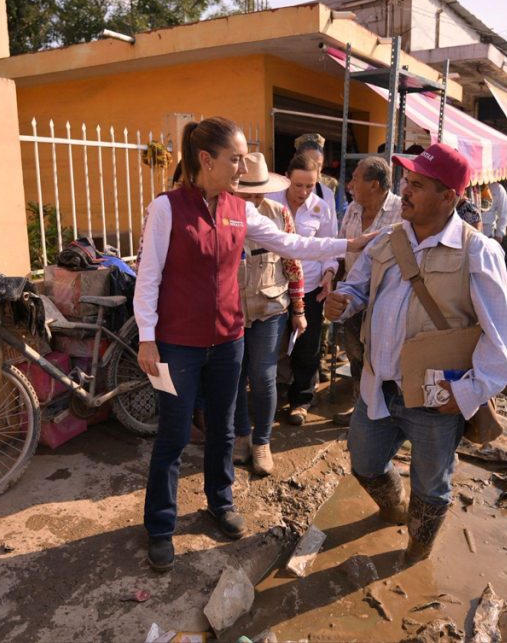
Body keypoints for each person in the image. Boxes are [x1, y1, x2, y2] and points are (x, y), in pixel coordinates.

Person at [134, 116, 376, 573]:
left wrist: (351, 243)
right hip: (175, 348)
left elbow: (289, 243)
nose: (242, 167)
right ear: (207, 160)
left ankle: (219, 502)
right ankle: (161, 526)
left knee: (225, 428)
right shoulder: (166, 208)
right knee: (173, 434)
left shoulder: (238, 208)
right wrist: (148, 339)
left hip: (228, 340)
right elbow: (148, 278)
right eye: (236, 158)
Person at [324, 142, 507, 566]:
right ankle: (393, 508)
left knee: (431, 487)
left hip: (437, 397)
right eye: (406, 182)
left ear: (449, 197)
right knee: (365, 461)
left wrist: (467, 393)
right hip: (379, 384)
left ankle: (417, 548)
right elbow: (356, 287)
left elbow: (500, 341)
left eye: (418, 185)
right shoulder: (389, 241)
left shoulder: (477, 251)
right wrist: (344, 300)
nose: (405, 192)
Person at [232, 154, 307, 476]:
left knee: (263, 378)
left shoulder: (278, 215)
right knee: (234, 378)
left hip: (270, 309)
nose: (253, 199)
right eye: (246, 193)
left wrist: (299, 309)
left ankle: (262, 441)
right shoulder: (220, 215)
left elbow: (292, 261)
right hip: (229, 312)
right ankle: (240, 436)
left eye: (258, 192)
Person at [270, 154, 340, 426]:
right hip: (274, 287)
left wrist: (329, 273)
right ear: (287, 178)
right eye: (298, 185)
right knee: (272, 345)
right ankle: (271, 396)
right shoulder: (271, 202)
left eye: (309, 186)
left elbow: (329, 247)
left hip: (310, 287)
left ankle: (301, 400)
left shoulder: (322, 208)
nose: (303, 192)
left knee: (307, 345)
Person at [335, 156, 401, 426]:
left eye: (355, 179)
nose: (350, 185)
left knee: (383, 359)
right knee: (356, 355)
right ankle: (360, 408)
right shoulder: (352, 209)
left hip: (385, 302)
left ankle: (387, 414)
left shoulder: (400, 211)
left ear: (374, 184)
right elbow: (341, 248)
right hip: (354, 298)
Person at [294, 133, 341, 226]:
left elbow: (333, 226)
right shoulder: (280, 189)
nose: (313, 169)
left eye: (318, 165)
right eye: (308, 163)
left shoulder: (328, 191)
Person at [480, 180, 507, 244]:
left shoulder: (498, 189)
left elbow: (503, 213)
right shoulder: (469, 186)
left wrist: (499, 234)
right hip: (470, 233)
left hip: (488, 234)